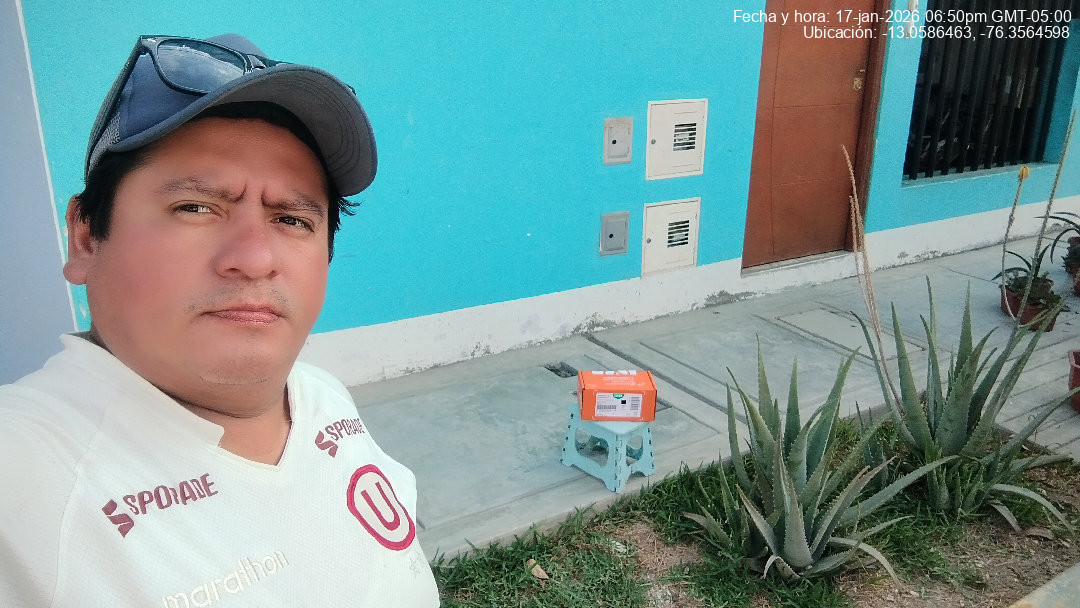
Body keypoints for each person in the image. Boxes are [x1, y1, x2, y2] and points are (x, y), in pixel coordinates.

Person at [0, 34, 440, 606]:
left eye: (291, 219)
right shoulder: (24, 472)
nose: (254, 258)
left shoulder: (322, 397)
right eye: (196, 208)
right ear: (85, 236)